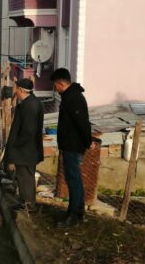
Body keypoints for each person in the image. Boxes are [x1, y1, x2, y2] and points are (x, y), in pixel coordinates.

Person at [50, 68, 93, 228]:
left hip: (73, 146)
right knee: (74, 180)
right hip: (70, 145)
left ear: (61, 83)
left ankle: (73, 215)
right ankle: (78, 212)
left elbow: (83, 123)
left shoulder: (74, 98)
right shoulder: (70, 97)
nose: (55, 89)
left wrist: (87, 142)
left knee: (73, 180)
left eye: (55, 86)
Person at [5, 78, 44, 213]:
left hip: (26, 150)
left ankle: (28, 205)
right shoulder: (31, 102)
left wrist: (16, 144)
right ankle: (26, 203)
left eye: (15, 88)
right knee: (25, 177)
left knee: (25, 177)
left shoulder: (30, 105)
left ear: (21, 90)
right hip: (27, 149)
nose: (14, 91)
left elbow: (28, 130)